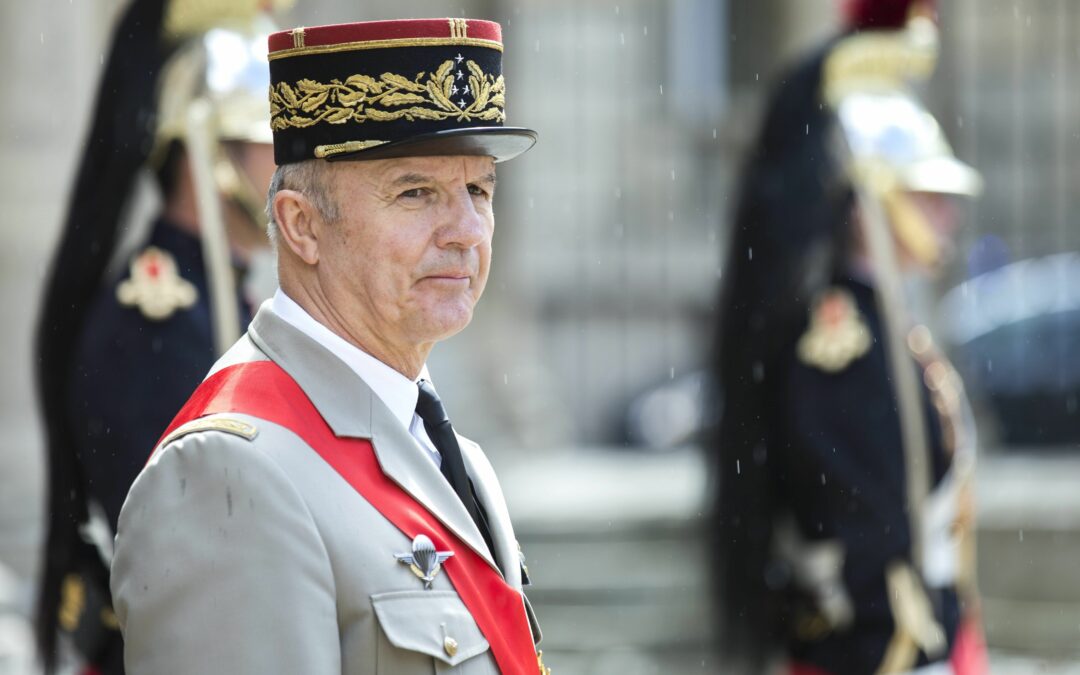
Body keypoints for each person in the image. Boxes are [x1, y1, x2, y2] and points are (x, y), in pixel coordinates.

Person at [110, 18, 548, 675]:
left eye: (478, 189)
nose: (466, 229)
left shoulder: (452, 452)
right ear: (303, 226)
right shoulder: (227, 473)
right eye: (415, 192)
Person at [710, 2, 987, 673]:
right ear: (871, 203)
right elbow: (868, 542)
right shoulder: (838, 339)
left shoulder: (884, 322)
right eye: (924, 195)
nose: (945, 215)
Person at [34, 0, 280, 671]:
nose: (295, 166)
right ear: (207, 150)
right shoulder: (150, 326)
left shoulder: (227, 299)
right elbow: (187, 557)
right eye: (272, 142)